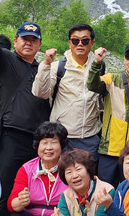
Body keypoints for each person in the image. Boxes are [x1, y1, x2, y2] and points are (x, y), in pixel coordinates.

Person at [0, 4, 51, 216]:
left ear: (39, 44)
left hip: (35, 140)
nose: (28, 43)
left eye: (33, 40)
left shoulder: (43, 69)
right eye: (24, 39)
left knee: (29, 189)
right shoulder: (6, 60)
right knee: (4, 186)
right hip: (8, 134)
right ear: (16, 41)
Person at [87, 40, 129, 186]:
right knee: (104, 189)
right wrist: (97, 62)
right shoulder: (112, 79)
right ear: (124, 58)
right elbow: (92, 84)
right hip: (110, 148)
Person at [33, 24, 104, 158]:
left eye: (85, 40)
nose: (80, 44)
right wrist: (46, 64)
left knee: (85, 177)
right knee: (59, 176)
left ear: (92, 43)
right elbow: (40, 93)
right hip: (61, 136)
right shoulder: (58, 67)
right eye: (75, 40)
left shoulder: (99, 67)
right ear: (69, 43)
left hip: (89, 137)